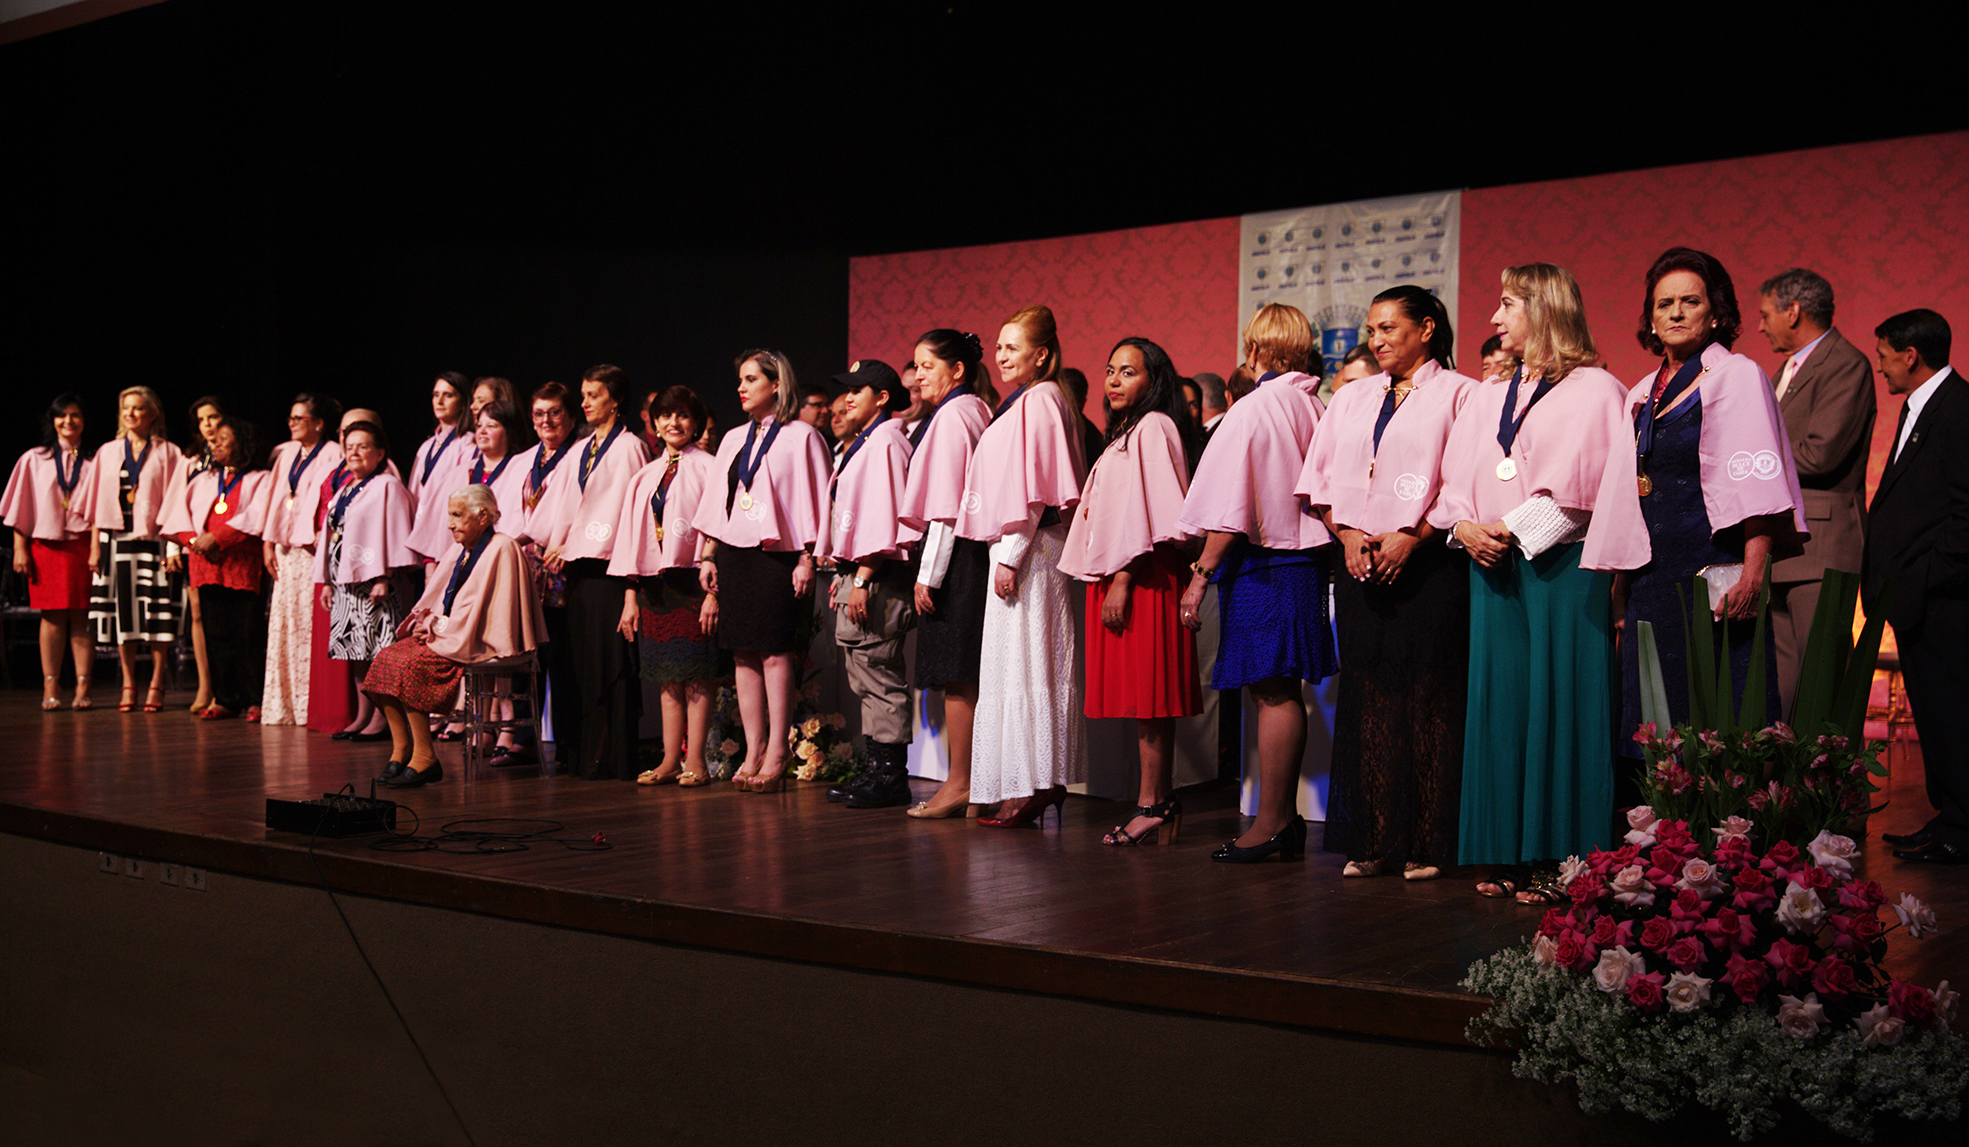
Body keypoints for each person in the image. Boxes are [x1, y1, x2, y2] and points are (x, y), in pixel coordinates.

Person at [1431, 263, 1628, 903]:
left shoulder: (1597, 388)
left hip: (1560, 566)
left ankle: (1562, 855)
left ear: (1544, 308)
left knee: (1561, 704)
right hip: (1490, 561)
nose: (1495, 318)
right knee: (1503, 704)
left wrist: (1508, 530)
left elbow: (1589, 489)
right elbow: (1453, 482)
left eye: (1509, 303)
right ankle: (1505, 847)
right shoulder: (1489, 393)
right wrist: (1464, 530)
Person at [1584, 248, 1806, 783]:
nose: (1676, 313)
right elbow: (1623, 496)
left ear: (1715, 313)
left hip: (1715, 568)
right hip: (1651, 576)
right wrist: (1619, 585)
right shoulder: (1640, 392)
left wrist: (1755, 571)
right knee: (1657, 711)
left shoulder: (1737, 376)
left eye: (1690, 301)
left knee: (1722, 709)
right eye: (1665, 304)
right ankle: (1665, 837)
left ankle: (1726, 837)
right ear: (1651, 318)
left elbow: (1757, 484)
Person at [1298, 285, 1476, 880]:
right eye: (1370, 331)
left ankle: (1427, 842)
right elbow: (1320, 482)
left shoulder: (1461, 394)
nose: (1375, 341)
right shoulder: (1351, 399)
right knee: (1369, 699)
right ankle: (1372, 837)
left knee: (1429, 700)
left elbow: (1463, 484)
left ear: (1426, 329)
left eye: (1387, 329)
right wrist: (1346, 535)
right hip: (1358, 563)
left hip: (1429, 566)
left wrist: (1411, 536)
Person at [1177, 303, 1336, 862]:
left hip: (1267, 565)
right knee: (1281, 687)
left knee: (1271, 689)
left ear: (1257, 350)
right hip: (1305, 563)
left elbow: (1229, 507)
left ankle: (1271, 822)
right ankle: (1281, 819)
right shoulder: (1316, 405)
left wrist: (1199, 576)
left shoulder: (1254, 409)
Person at [1060, 337, 1200, 845]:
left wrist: (1121, 578)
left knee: (1151, 699)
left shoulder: (1156, 426)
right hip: (1121, 575)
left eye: (1129, 372)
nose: (1115, 380)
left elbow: (1158, 514)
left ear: (1154, 380)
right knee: (1140, 699)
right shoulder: (1126, 431)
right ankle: (1156, 800)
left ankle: (1153, 803)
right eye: (1110, 370)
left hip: (1143, 577)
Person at [956, 304, 1089, 827]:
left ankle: (1033, 784)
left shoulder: (1041, 400)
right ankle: (1034, 782)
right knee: (1021, 663)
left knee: (1027, 663)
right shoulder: (1030, 401)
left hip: (1028, 549)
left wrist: (1010, 555)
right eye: (999, 345)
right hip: (1023, 546)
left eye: (1013, 347)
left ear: (1041, 354)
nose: (1001, 354)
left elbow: (1034, 491)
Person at [691, 349, 831, 792]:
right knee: (742, 652)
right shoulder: (733, 438)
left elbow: (816, 500)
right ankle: (752, 748)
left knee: (774, 651)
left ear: (776, 384)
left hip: (779, 555)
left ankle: (777, 749)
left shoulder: (802, 435)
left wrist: (807, 557)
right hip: (735, 553)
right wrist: (708, 555)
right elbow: (718, 502)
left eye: (751, 379)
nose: (741, 387)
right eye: (741, 380)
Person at [1865, 310, 1969, 865]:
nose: (1880, 366)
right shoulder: (1920, 405)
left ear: (1910, 354)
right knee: (1935, 714)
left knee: (1952, 713)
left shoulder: (1958, 409)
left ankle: (1962, 825)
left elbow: (1965, 513)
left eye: (1883, 355)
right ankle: (1949, 817)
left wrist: (1925, 578)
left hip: (1943, 600)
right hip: (1916, 598)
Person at [364, 484, 546, 788]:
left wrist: (436, 625)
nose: (450, 524)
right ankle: (401, 751)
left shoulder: (502, 547)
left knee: (412, 667)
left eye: (457, 516)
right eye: (450, 515)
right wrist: (424, 621)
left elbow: (484, 611)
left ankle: (425, 757)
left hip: (484, 640)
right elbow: (437, 596)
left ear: (483, 516)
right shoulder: (461, 549)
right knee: (386, 659)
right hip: (452, 632)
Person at [1756, 268, 1877, 716]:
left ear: (1793, 310)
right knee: (1782, 694)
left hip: (1823, 546)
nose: (1761, 325)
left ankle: (1835, 788)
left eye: (1766, 314)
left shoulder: (1846, 363)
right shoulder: (1784, 369)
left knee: (1824, 689)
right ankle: (1785, 788)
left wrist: (1751, 466)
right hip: (1783, 547)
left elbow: (1821, 455)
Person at [899, 329, 995, 819]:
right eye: (915, 367)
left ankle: (960, 783)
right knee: (966, 676)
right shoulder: (975, 409)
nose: (917, 376)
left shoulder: (956, 415)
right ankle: (972, 783)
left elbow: (947, 507)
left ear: (956, 369)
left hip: (957, 559)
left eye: (926, 366)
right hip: (972, 556)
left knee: (958, 677)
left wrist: (928, 575)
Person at [817, 360, 920, 809]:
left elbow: (887, 517)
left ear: (882, 398)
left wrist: (862, 576)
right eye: (847, 390)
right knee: (865, 677)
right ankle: (877, 769)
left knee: (879, 674)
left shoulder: (886, 443)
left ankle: (891, 777)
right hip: (858, 574)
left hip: (877, 577)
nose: (848, 397)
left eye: (859, 390)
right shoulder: (865, 442)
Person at [539, 364, 651, 780]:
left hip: (612, 571)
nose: (584, 402)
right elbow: (568, 502)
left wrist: (630, 584)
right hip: (580, 574)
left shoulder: (629, 448)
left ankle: (615, 756)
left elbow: (632, 513)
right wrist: (559, 542)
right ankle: (586, 754)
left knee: (611, 666)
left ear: (616, 400)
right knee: (582, 665)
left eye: (593, 395)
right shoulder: (582, 447)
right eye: (583, 394)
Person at [610, 385, 723, 785]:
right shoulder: (645, 475)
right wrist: (630, 596)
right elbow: (629, 539)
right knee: (667, 677)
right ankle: (669, 759)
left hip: (694, 582)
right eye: (665, 416)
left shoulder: (712, 467)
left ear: (696, 424)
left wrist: (713, 593)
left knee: (698, 675)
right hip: (655, 587)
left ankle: (698, 762)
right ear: (655, 423)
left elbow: (719, 531)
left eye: (682, 416)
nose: (673, 423)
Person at [163, 416, 273, 721]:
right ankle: (225, 698)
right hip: (205, 564)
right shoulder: (204, 478)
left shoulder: (260, 479)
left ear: (241, 442)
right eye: (213, 441)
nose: (214, 444)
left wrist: (219, 538)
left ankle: (254, 699)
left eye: (222, 439)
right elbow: (178, 517)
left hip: (241, 565)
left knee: (247, 633)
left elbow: (257, 516)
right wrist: (195, 541)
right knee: (215, 633)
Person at [313, 421, 416, 741]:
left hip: (375, 584)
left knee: (380, 651)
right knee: (356, 650)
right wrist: (327, 581)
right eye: (349, 446)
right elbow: (331, 537)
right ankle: (362, 714)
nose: (354, 452)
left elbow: (397, 531)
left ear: (380, 452)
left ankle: (384, 719)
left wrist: (384, 576)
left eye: (362, 446)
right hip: (346, 583)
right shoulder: (345, 489)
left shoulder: (387, 485)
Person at [85, 386, 185, 714]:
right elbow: (98, 505)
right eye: (125, 408)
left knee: (157, 617)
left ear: (152, 414)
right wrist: (95, 549)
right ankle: (129, 683)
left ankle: (156, 683)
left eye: (138, 408)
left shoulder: (169, 452)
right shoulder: (108, 452)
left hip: (153, 543)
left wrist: (172, 547)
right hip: (116, 544)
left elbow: (176, 505)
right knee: (123, 617)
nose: (130, 414)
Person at [255, 393, 343, 727]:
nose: (292, 424)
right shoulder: (287, 453)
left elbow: (330, 504)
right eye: (291, 418)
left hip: (311, 552)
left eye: (299, 419)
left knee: (308, 626)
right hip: (285, 551)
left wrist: (320, 544)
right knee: (285, 625)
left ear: (318, 424)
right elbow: (276, 498)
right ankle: (284, 706)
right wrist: (267, 541)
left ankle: (309, 704)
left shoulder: (334, 453)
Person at [4, 394, 97, 710]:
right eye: (62, 416)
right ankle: (51, 686)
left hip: (83, 546)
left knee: (83, 616)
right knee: (52, 616)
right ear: (52, 420)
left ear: (84, 421)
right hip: (45, 546)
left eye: (75, 415)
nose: (68, 421)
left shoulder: (94, 460)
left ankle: (83, 688)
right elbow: (20, 507)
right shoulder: (34, 458)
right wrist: (20, 549)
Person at [170, 395, 227, 714]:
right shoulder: (190, 460)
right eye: (202, 419)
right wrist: (174, 546)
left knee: (221, 615)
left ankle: (224, 687)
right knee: (196, 614)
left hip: (222, 545)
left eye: (214, 417)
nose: (208, 424)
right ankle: (205, 684)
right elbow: (175, 504)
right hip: (192, 545)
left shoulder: (235, 454)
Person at [406, 372, 472, 563]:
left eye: (448, 395)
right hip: (420, 534)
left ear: (463, 402)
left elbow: (461, 495)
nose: (440, 401)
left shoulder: (467, 444)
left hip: (445, 534)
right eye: (436, 395)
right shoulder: (426, 446)